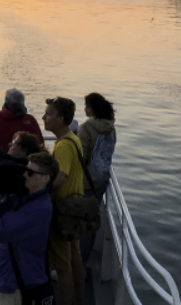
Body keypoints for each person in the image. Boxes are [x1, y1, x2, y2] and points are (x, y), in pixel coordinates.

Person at [0, 152, 59, 305]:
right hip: (4, 278)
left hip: (15, 286)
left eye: (30, 172)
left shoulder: (39, 209)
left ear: (45, 178)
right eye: (25, 170)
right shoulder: (26, 197)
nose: (24, 175)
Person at [43, 96, 85, 305]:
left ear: (60, 119)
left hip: (63, 212)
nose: (44, 117)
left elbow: (60, 178)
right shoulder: (72, 139)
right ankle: (79, 299)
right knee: (75, 258)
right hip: (74, 208)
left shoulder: (63, 146)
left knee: (62, 266)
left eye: (48, 114)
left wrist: (37, 185)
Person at [77, 92, 116, 262]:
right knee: (91, 221)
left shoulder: (86, 128)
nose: (84, 109)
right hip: (101, 180)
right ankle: (85, 260)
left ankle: (79, 264)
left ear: (91, 109)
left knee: (82, 224)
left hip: (86, 182)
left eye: (86, 106)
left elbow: (82, 157)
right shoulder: (111, 127)